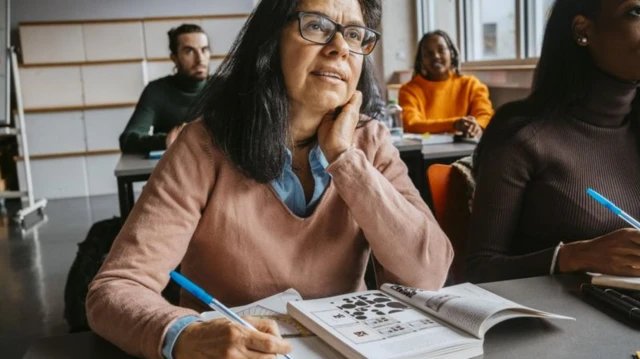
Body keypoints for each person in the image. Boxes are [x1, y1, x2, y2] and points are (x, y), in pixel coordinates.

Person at [86, 0, 453, 358]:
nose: (340, 47)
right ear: (270, 41)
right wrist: (186, 335)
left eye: (355, 35)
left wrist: (345, 158)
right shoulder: (203, 144)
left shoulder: (370, 140)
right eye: (316, 26)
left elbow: (428, 273)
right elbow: (116, 287)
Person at [466, 0, 640, 283]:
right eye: (636, 12)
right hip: (565, 321)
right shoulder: (522, 136)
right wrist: (574, 257)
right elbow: (479, 270)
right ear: (582, 30)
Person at [119, 24, 210, 153]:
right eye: (189, 51)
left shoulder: (224, 87)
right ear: (174, 58)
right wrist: (167, 139)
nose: (200, 58)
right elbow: (128, 139)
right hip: (176, 167)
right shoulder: (156, 91)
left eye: (204, 50)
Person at [398, 30, 494, 137]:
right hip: (426, 150)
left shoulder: (471, 84)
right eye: (428, 53)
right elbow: (412, 124)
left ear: (451, 53)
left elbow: (485, 115)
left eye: (441, 50)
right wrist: (454, 124)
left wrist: (476, 127)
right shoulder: (409, 90)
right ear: (421, 60)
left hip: (467, 148)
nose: (436, 56)